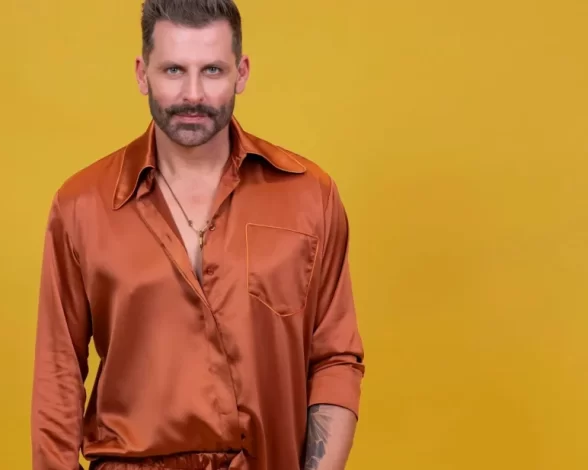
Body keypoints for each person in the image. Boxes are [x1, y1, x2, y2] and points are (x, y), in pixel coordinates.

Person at [30, 1, 366, 469]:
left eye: (212, 70)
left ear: (241, 73)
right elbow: (58, 372)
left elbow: (335, 358)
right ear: (142, 74)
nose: (193, 94)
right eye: (173, 70)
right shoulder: (81, 204)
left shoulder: (309, 196)